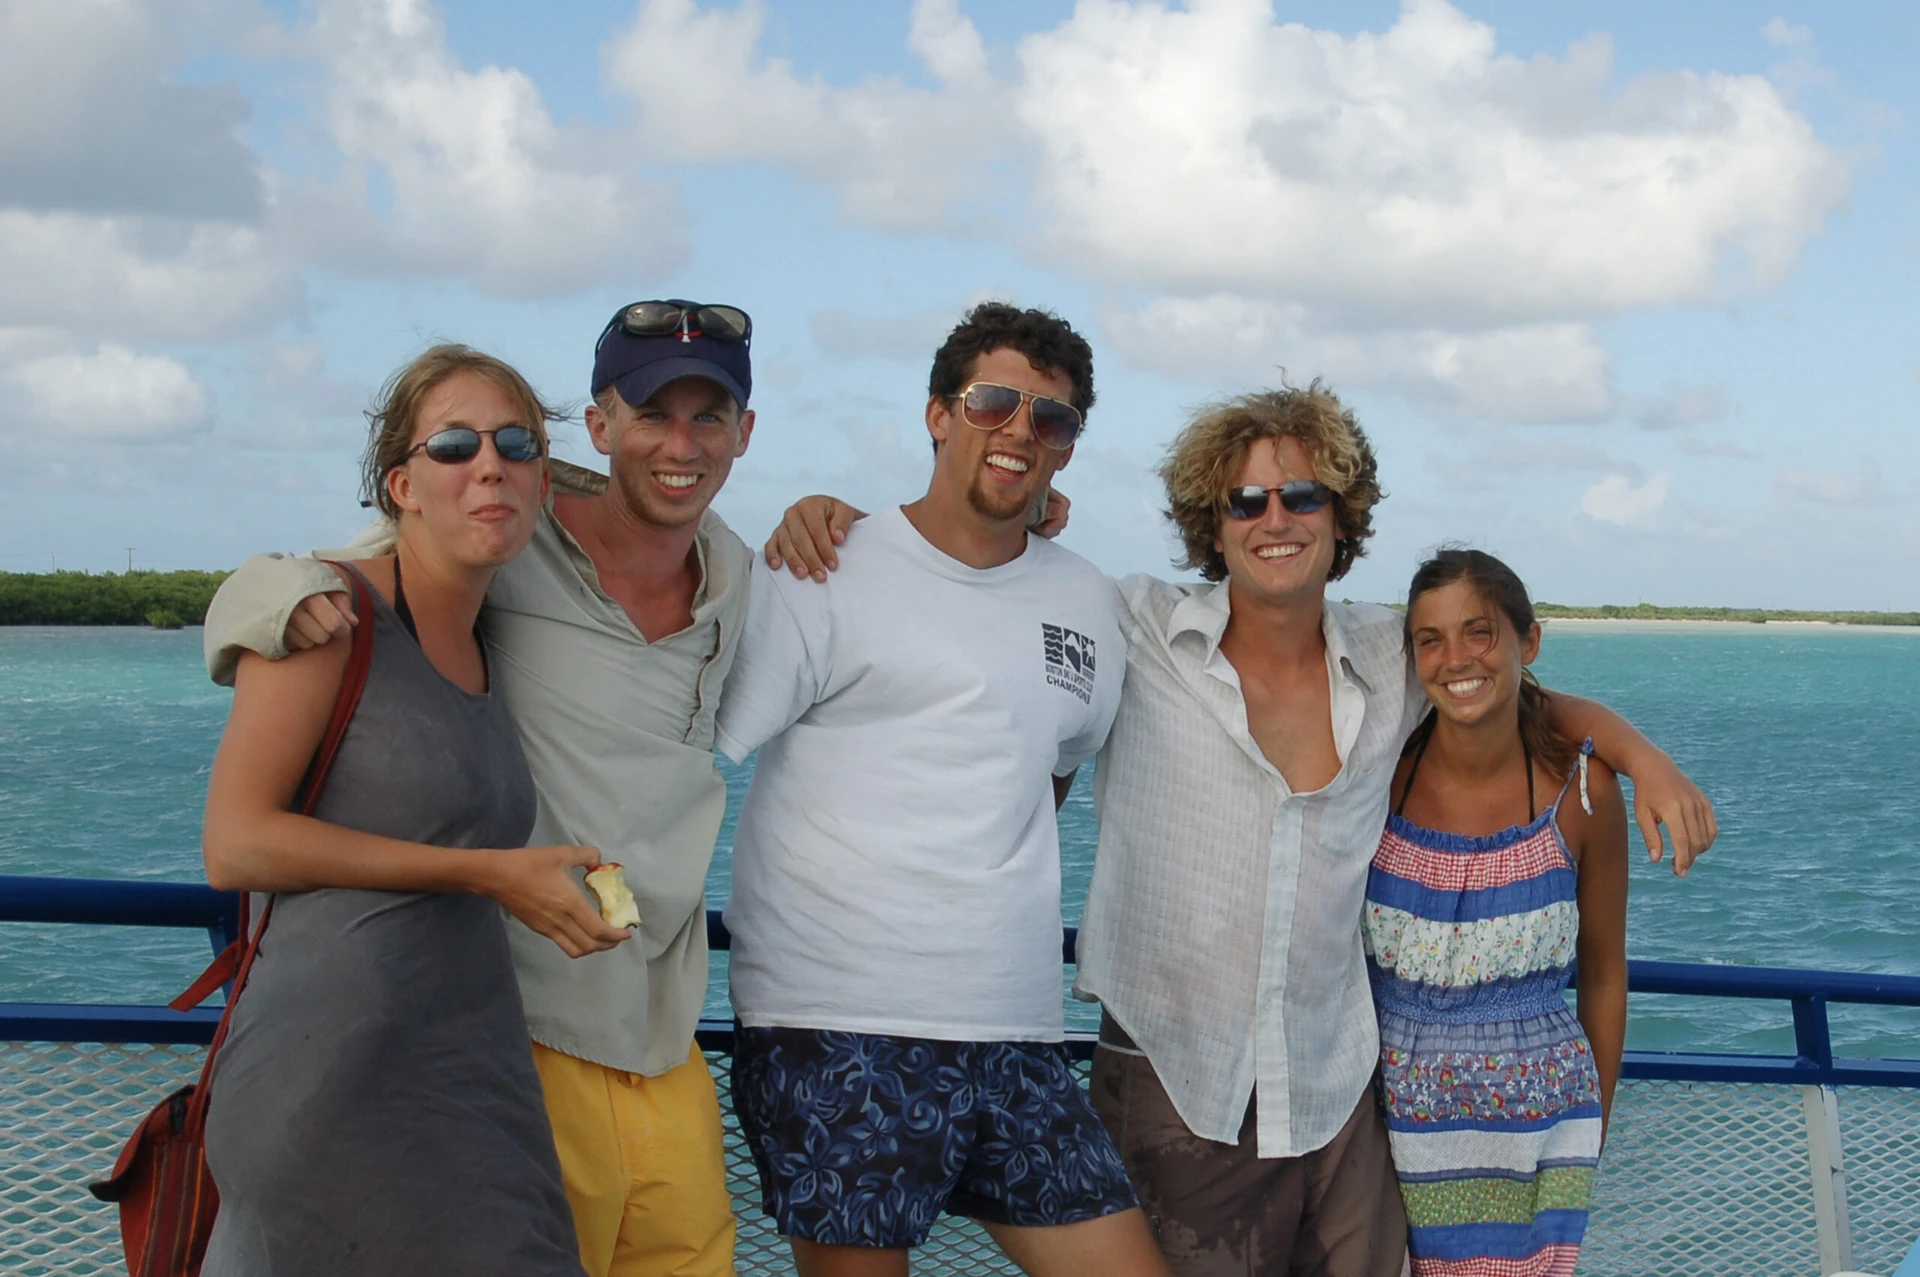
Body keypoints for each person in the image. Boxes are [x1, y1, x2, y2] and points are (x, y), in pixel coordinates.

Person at [766, 380, 1712, 1277]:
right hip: (1178, 1081)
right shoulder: (1128, 623)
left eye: (1301, 495)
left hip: (1341, 1090)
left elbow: (1504, 686)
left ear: (1341, 518)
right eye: (1244, 501)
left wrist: (1639, 755)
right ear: (1209, 526)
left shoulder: (1392, 653)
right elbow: (979, 572)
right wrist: (843, 521)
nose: (1274, 519)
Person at [199, 301, 761, 1277]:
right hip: (404, 1052)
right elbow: (237, 834)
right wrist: (256, 594)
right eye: (456, 444)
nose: (488, 464)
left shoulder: (728, 574)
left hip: (583, 1043)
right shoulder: (397, 583)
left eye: (513, 443)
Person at [716, 302, 1169, 1277]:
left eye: (1050, 419)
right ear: (937, 413)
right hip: (839, 1023)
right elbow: (700, 746)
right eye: (994, 402)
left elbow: (1049, 765)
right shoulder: (822, 565)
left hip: (1018, 1031)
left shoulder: (1086, 598)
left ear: (1069, 449)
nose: (1019, 430)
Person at [1365, 548, 1628, 1276]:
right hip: (1385, 1121)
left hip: (1539, 1131)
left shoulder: (1585, 794)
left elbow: (1605, 970)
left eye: (1479, 631)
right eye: (1431, 638)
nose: (1456, 658)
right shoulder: (1380, 774)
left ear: (1528, 641)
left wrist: (1593, 1121)